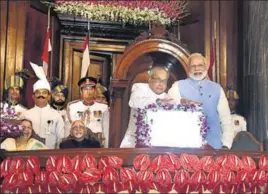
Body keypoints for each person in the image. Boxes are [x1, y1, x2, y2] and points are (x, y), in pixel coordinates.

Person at [168, 53, 234, 149]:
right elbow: (168, 113)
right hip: (185, 147)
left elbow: (226, 119)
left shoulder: (217, 88)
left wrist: (226, 145)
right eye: (193, 66)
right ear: (188, 68)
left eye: (200, 65)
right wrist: (180, 102)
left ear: (206, 67)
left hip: (214, 147)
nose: (196, 69)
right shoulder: (177, 86)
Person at [120, 66, 170, 148]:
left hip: (158, 142)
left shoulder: (167, 97)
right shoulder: (140, 87)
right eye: (158, 80)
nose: (161, 84)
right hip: (133, 139)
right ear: (150, 79)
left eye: (164, 81)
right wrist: (157, 102)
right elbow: (133, 103)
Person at [20, 62, 64, 149]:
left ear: (49, 97)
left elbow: (61, 139)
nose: (41, 95)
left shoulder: (57, 116)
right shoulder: (25, 115)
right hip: (27, 155)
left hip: (50, 156)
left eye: (44, 93)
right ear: (33, 97)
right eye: (38, 93)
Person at [67, 76, 109, 147]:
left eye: (91, 89)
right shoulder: (73, 107)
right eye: (85, 89)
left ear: (95, 91)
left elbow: (106, 129)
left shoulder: (103, 107)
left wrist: (106, 146)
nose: (88, 92)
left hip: (97, 141)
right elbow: (69, 127)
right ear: (81, 91)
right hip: (78, 141)